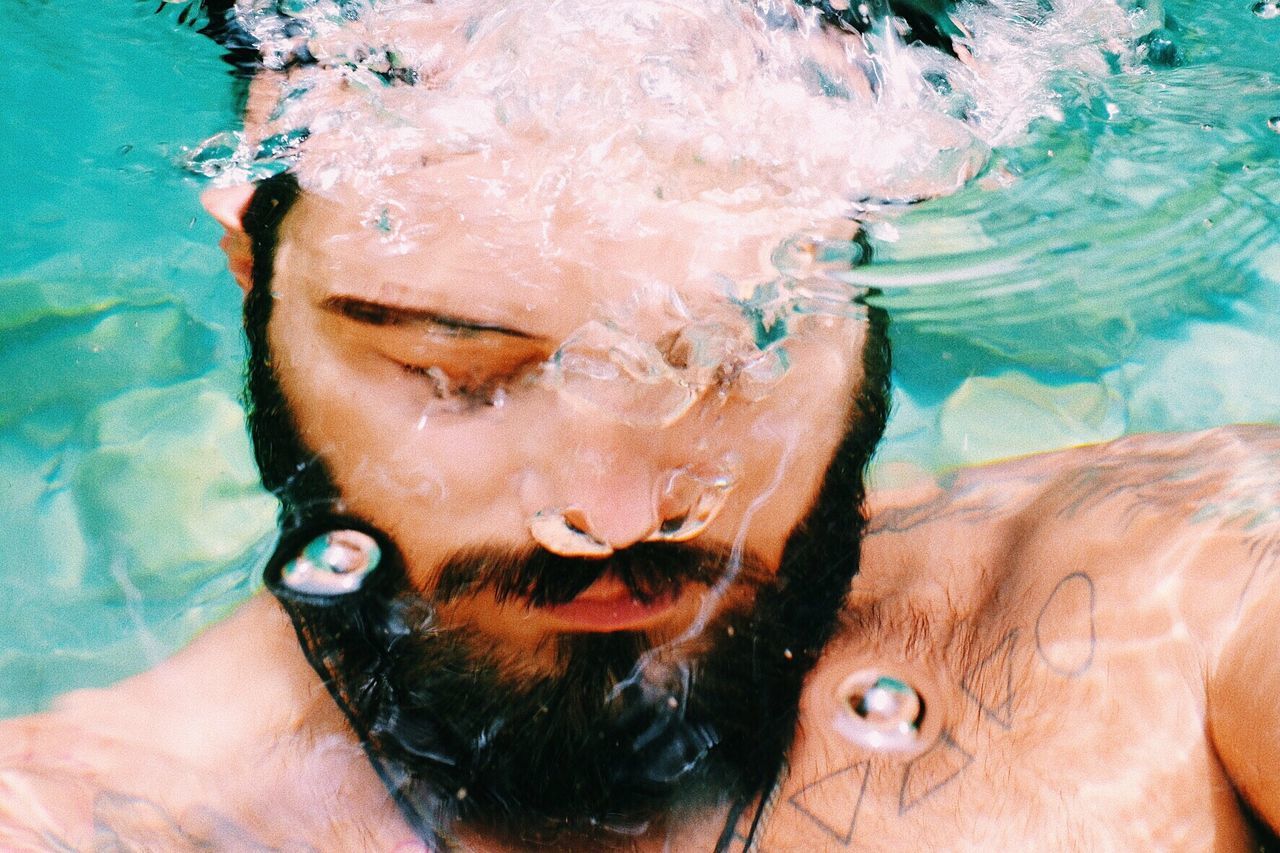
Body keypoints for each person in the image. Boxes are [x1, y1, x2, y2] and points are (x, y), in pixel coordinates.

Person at [3, 0, 1278, 850]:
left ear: (866, 295)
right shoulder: (85, 810)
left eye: (740, 349)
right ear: (251, 278)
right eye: (453, 372)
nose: (606, 514)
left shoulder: (1181, 583)